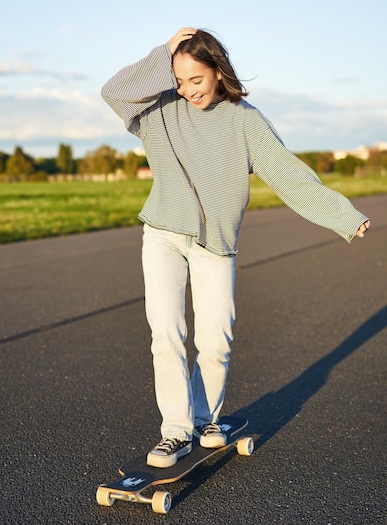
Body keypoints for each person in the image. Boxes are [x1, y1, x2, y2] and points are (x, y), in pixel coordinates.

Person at [101, 27, 371, 468]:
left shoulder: (245, 120)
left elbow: (288, 175)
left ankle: (208, 420)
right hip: (164, 234)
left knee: (215, 339)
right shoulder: (160, 109)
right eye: (180, 80)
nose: (188, 91)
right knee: (166, 334)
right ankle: (175, 432)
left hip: (216, 243)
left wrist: (342, 215)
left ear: (217, 71)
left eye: (197, 80)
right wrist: (164, 51)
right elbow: (113, 91)